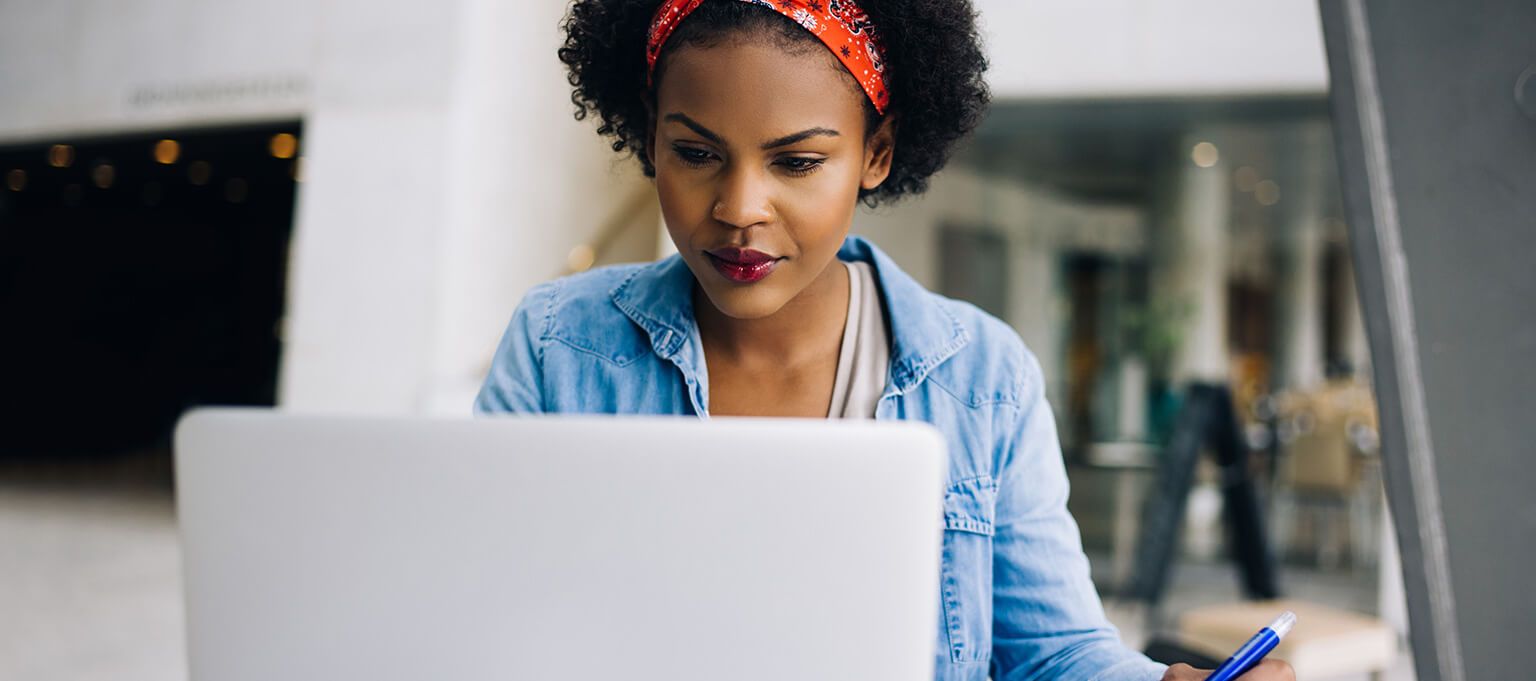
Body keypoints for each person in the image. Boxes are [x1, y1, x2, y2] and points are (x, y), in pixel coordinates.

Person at [476, 1, 1293, 679]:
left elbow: (1051, 651)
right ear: (649, 135)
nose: (738, 207)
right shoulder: (559, 345)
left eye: (795, 163)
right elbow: (476, 608)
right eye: (695, 153)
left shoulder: (982, 376)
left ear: (876, 153)